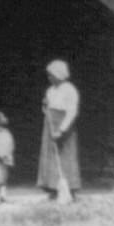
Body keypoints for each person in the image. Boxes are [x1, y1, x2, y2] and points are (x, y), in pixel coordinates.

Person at [37, 59, 81, 203]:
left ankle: (70, 190)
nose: (49, 78)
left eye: (51, 75)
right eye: (48, 75)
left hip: (64, 126)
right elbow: (47, 107)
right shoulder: (50, 90)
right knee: (51, 156)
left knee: (65, 157)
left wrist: (61, 130)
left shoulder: (70, 90)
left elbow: (72, 112)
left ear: (59, 75)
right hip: (50, 124)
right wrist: (45, 107)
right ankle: (53, 189)